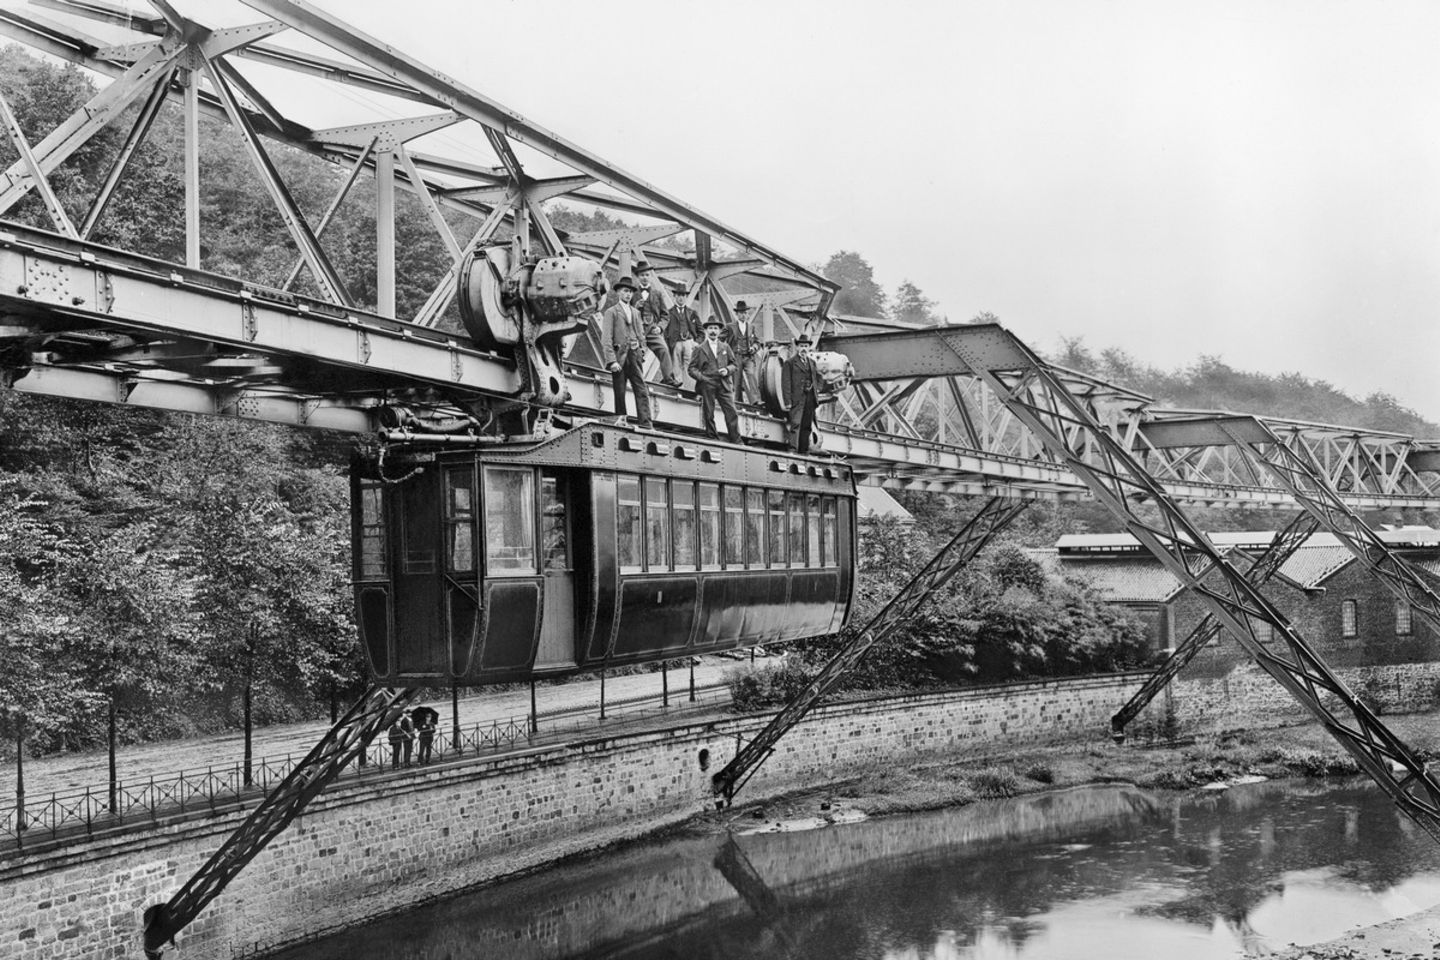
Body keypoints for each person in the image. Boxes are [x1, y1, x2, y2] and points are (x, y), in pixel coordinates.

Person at [598, 275, 654, 428]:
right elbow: (606, 338)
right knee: (620, 390)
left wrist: (641, 352)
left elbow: (641, 334)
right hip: (619, 357)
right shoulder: (611, 312)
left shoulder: (635, 312)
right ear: (618, 293)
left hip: (634, 356)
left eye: (630, 291)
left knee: (641, 389)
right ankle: (621, 420)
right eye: (625, 291)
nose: (628, 294)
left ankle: (646, 423)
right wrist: (611, 361)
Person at [688, 316, 741, 443]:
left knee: (731, 412)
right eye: (710, 328)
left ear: (719, 331)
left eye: (716, 328)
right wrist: (702, 378)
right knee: (709, 412)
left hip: (724, 384)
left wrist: (727, 370)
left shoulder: (725, 347)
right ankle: (712, 438)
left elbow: (735, 365)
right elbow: (691, 368)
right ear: (706, 330)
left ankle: (736, 440)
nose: (713, 331)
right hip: (707, 384)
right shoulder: (700, 349)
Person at [632, 261, 681, 386]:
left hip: (652, 328)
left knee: (664, 349)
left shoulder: (657, 294)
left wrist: (660, 328)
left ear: (650, 276)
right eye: (642, 275)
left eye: (647, 275)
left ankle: (668, 379)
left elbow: (665, 315)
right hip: (637, 329)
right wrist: (635, 307)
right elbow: (625, 311)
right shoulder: (632, 293)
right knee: (636, 354)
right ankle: (636, 379)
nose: (645, 277)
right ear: (638, 276)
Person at [782, 332, 820, 454]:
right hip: (796, 398)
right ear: (797, 347)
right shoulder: (790, 363)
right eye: (801, 346)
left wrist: (816, 392)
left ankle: (804, 450)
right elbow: (786, 383)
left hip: (810, 398)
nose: (804, 348)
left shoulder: (812, 363)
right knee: (795, 424)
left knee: (806, 425)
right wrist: (787, 401)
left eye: (806, 346)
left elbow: (818, 379)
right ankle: (793, 449)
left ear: (809, 348)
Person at [722, 300, 762, 402]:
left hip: (748, 357)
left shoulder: (751, 327)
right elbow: (720, 340)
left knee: (751, 374)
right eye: (741, 313)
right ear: (737, 314)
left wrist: (754, 348)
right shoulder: (730, 327)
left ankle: (756, 400)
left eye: (745, 313)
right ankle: (738, 401)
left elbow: (757, 342)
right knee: (737, 380)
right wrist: (725, 352)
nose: (743, 315)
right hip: (736, 356)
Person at [671, 322, 700, 394]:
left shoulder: (691, 313)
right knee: (676, 364)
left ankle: (690, 389)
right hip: (676, 341)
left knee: (689, 365)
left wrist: (697, 342)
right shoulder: (671, 312)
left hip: (688, 341)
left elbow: (700, 329)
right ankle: (679, 387)